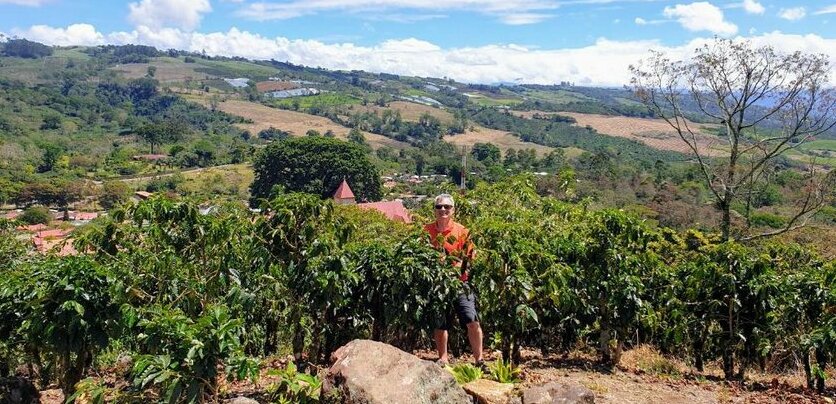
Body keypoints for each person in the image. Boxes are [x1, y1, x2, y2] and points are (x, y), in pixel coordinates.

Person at [424, 193, 484, 367]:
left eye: (447, 207)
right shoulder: (427, 231)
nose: (443, 210)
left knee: (471, 319)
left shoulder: (462, 231)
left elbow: (470, 256)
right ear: (435, 210)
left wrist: (454, 267)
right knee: (440, 322)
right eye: (439, 207)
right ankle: (443, 358)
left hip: (459, 283)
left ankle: (479, 359)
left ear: (453, 210)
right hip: (437, 284)